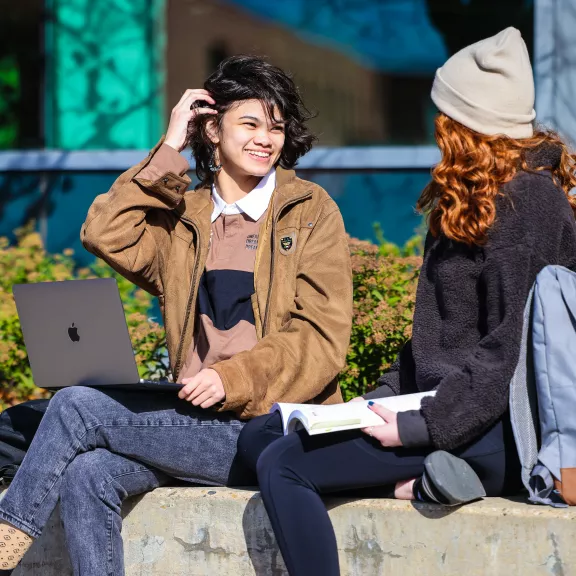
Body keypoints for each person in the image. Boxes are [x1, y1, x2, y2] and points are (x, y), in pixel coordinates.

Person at [238, 27, 576, 576]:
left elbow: (505, 352)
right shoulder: (466, 199)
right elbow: (434, 340)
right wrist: (367, 405)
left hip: (490, 427)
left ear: (467, 126)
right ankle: (431, 480)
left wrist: (419, 427)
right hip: (440, 408)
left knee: (283, 465)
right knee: (261, 438)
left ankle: (465, 473)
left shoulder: (530, 202)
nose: (436, 129)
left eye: (445, 118)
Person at [0, 55, 353, 575]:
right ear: (211, 129)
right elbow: (105, 233)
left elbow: (321, 341)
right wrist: (169, 148)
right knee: (90, 474)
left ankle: (9, 532)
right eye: (250, 123)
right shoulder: (186, 218)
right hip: (190, 421)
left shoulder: (310, 211)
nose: (266, 139)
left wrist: (230, 378)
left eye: (275, 127)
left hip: (266, 428)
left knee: (77, 406)